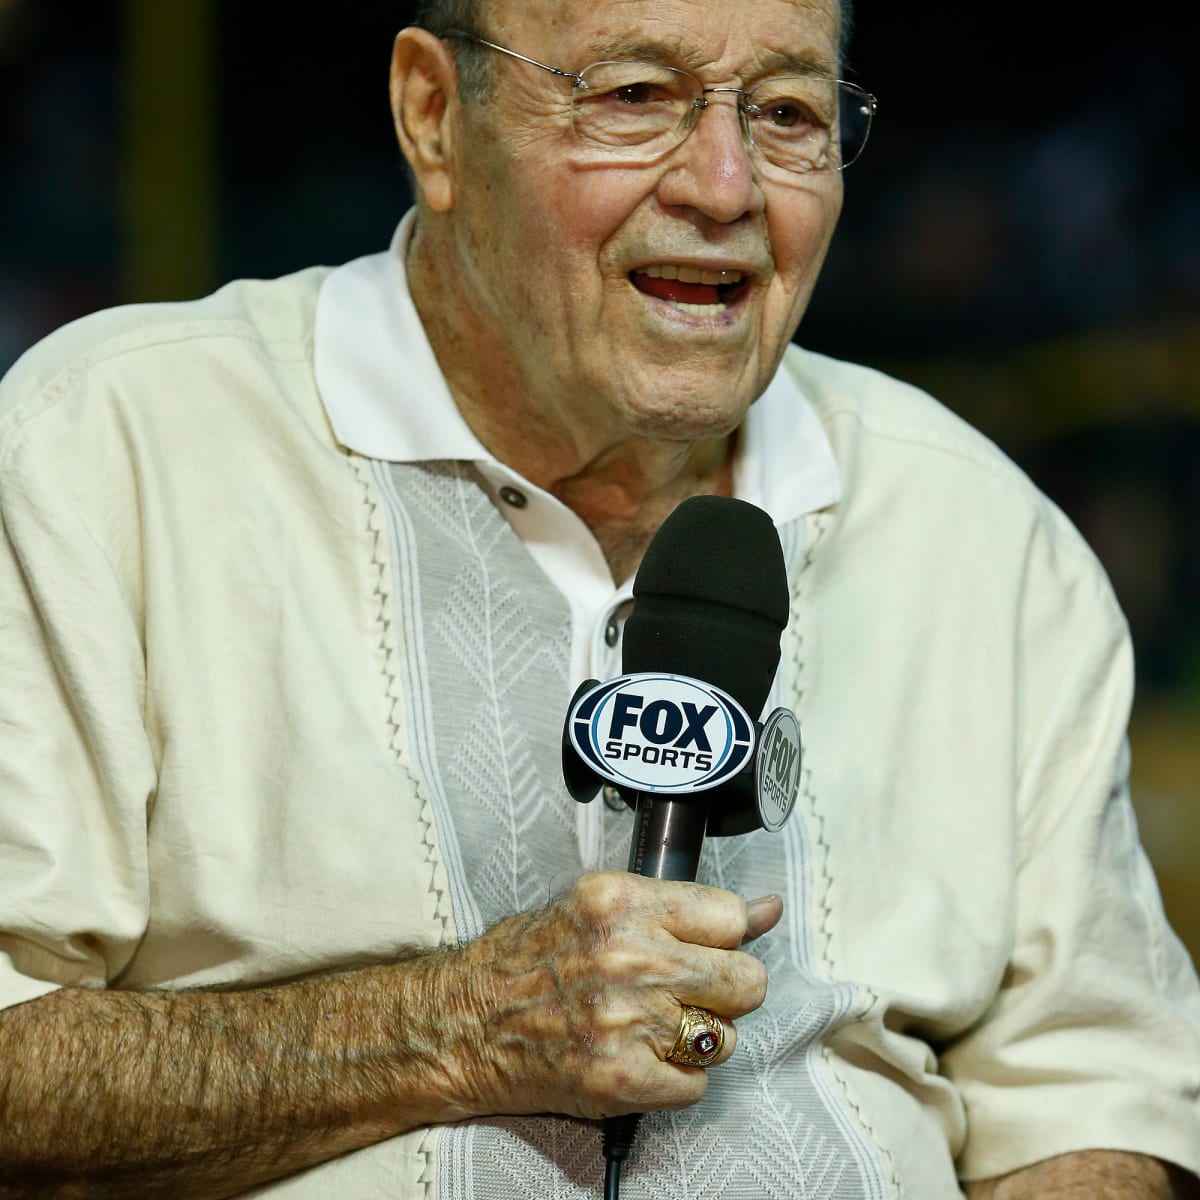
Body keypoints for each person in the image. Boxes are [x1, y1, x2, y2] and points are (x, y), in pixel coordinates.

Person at [0, 0, 1197, 1196]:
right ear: (435, 117)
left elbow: (1096, 1093)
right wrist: (458, 1027)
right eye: (634, 97)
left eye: (787, 114)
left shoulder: (982, 535)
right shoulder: (109, 451)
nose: (726, 189)